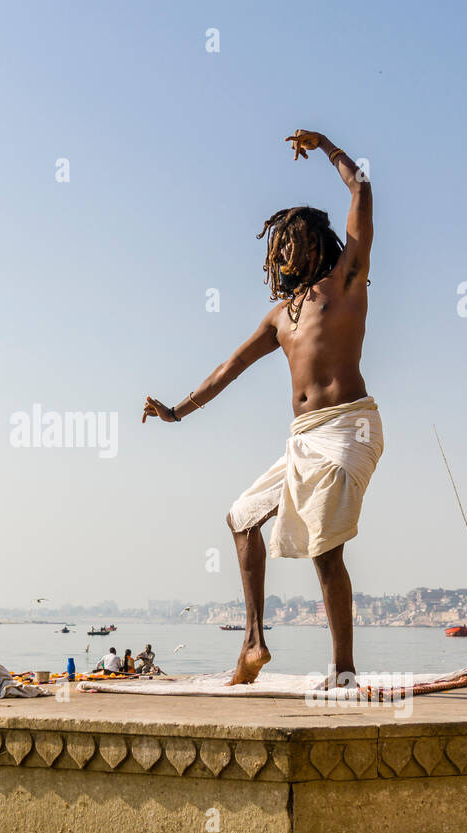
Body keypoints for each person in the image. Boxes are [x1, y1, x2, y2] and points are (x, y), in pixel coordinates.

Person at [142, 128, 382, 688]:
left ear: (317, 242)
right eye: (280, 246)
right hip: (303, 439)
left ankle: (343, 671)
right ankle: (252, 643)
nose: (286, 251)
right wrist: (178, 410)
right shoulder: (280, 316)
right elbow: (230, 367)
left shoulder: (347, 279)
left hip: (349, 428)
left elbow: (363, 192)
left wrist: (327, 147)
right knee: (242, 517)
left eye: (294, 240)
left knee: (326, 550)